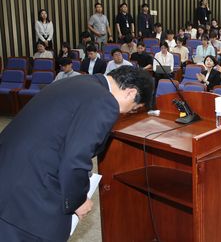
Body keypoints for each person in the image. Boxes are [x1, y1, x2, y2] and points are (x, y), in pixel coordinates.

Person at [0, 66, 153, 241]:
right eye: (133, 108)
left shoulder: (79, 82)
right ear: (131, 93)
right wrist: (78, 200)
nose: (125, 113)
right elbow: (75, 159)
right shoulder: (105, 101)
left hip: (9, 175)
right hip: (30, 196)